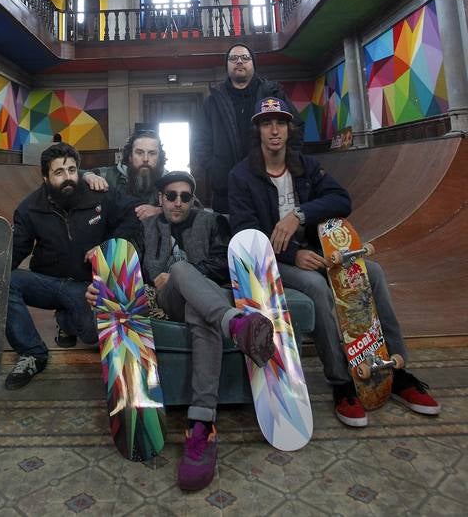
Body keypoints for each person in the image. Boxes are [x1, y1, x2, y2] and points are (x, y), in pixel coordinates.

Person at [228, 96, 440, 427]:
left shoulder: (304, 166)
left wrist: (298, 215)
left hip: (322, 253)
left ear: (288, 129)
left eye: (280, 123)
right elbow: (245, 233)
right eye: (267, 123)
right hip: (275, 262)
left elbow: (341, 199)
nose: (274, 130)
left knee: (375, 273)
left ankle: (395, 371)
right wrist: (291, 254)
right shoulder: (241, 176)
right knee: (316, 288)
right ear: (257, 130)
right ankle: (342, 383)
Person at [118, 170, 274, 491]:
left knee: (197, 305)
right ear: (160, 199)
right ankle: (235, 323)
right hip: (166, 298)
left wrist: (191, 275)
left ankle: (201, 423)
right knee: (177, 269)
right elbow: (126, 254)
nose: (178, 203)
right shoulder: (145, 226)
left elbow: (221, 261)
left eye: (185, 197)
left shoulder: (211, 222)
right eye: (171, 196)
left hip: (206, 300)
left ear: (193, 199)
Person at [0, 142, 141, 389]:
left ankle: (66, 319)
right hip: (49, 284)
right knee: (5, 280)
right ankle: (32, 352)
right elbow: (15, 251)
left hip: (87, 287)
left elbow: (131, 219)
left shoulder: (100, 194)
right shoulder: (29, 208)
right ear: (45, 177)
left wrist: (107, 248)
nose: (68, 178)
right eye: (59, 172)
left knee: (90, 335)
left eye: (72, 170)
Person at [195, 43, 303, 214]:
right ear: (227, 65)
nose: (239, 62)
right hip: (226, 189)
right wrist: (215, 168)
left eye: (245, 58)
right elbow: (200, 141)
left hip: (270, 185)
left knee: (272, 237)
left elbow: (295, 128)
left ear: (253, 64)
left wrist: (288, 160)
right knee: (230, 238)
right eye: (233, 58)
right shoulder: (213, 101)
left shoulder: (273, 94)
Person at [84, 127, 166, 221]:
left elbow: (184, 208)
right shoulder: (109, 175)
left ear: (159, 157)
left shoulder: (169, 181)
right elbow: (75, 175)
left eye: (152, 153)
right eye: (139, 153)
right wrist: (88, 175)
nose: (145, 159)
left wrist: (160, 210)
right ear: (130, 156)